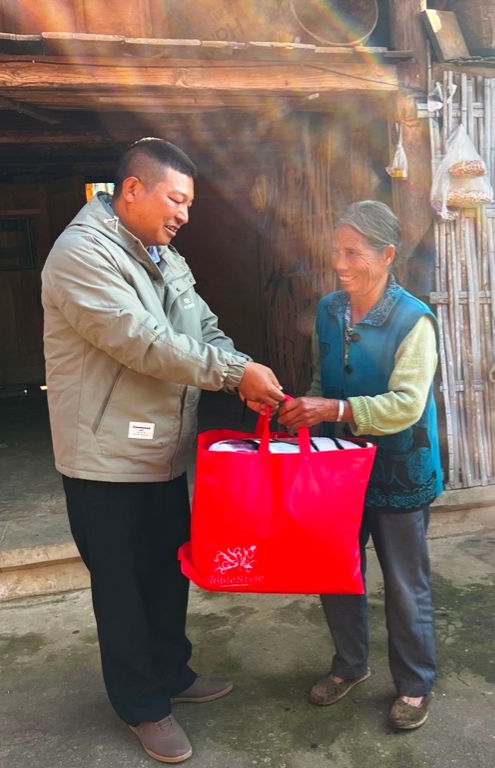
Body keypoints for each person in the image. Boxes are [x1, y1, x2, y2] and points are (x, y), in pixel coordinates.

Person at [41, 137, 284, 763]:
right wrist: (235, 375)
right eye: (176, 200)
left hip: (160, 451)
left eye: (189, 203)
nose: (184, 215)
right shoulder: (81, 254)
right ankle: (142, 705)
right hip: (103, 459)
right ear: (132, 190)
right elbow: (143, 341)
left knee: (166, 571)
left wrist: (240, 366)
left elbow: (202, 327)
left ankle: (172, 673)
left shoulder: (162, 253)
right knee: (122, 588)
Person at [278, 200, 442, 731]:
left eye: (353, 253)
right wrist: (302, 414)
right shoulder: (329, 311)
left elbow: (407, 405)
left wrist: (336, 410)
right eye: (336, 251)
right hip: (338, 470)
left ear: (387, 254)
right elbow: (323, 380)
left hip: (400, 469)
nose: (340, 263)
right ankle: (350, 665)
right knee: (336, 570)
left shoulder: (414, 320)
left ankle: (414, 683)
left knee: (404, 583)